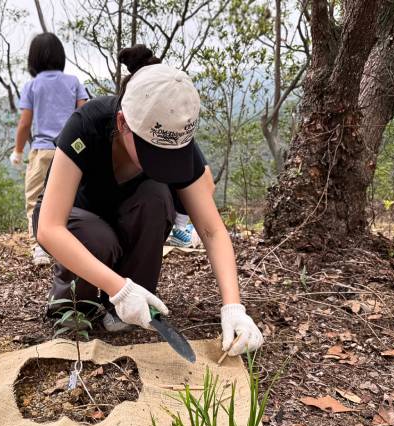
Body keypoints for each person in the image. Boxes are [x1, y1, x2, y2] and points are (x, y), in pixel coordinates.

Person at [33, 45, 263, 356]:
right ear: (122, 123)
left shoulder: (176, 136)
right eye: (153, 153)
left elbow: (211, 229)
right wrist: (118, 288)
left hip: (127, 218)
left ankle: (131, 306)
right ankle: (76, 305)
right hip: (78, 219)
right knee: (98, 238)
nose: (163, 161)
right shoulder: (87, 125)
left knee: (157, 196)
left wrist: (234, 307)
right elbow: (49, 227)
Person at [11, 32, 89, 266]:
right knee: (73, 198)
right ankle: (72, 243)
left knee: (35, 200)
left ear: (33, 60)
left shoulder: (32, 86)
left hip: (43, 150)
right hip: (72, 151)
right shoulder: (73, 82)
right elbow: (84, 115)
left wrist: (18, 151)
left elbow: (25, 123)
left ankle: (40, 248)